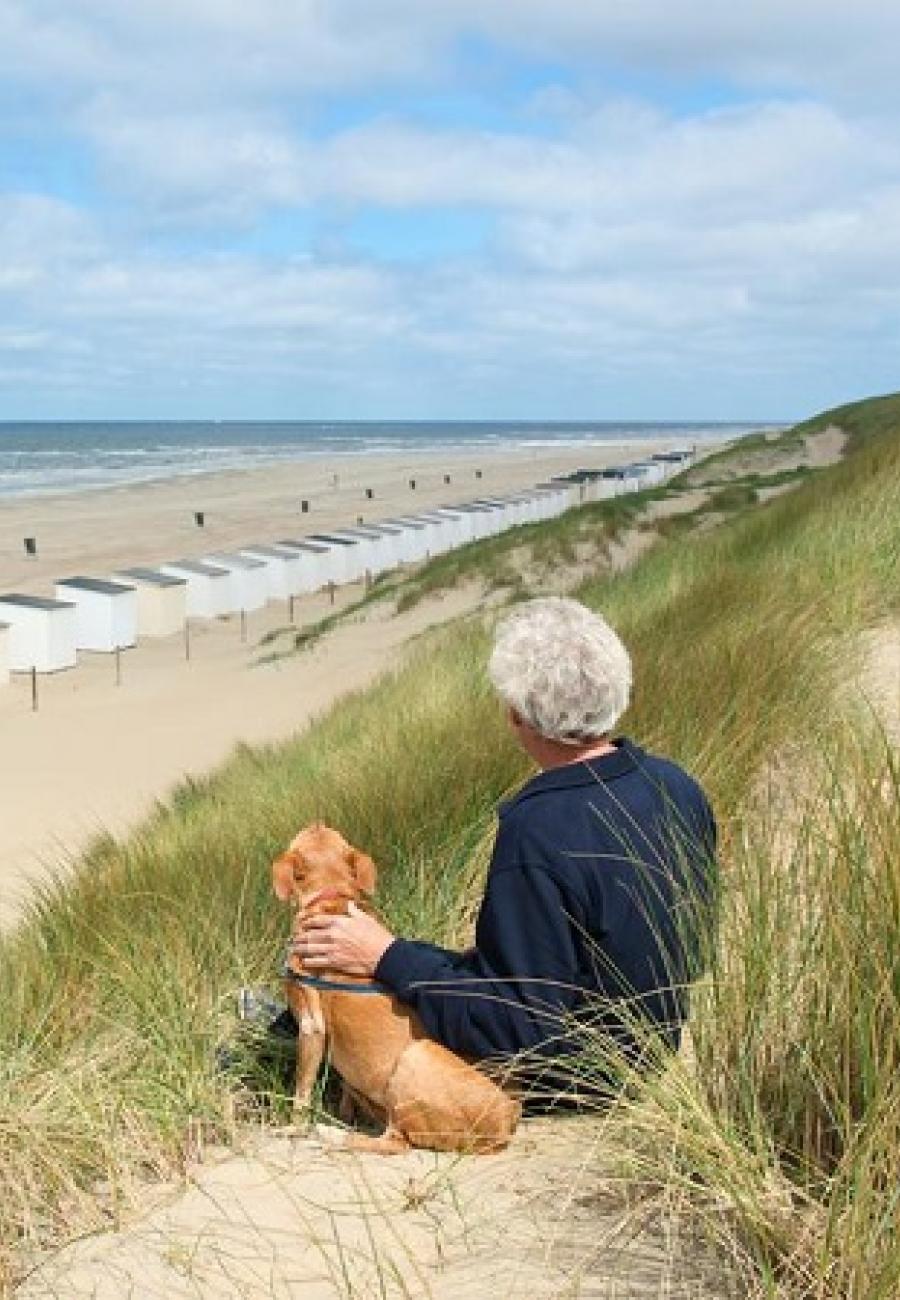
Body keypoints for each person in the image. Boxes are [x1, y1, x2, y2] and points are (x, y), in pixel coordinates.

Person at [291, 597, 717, 1101]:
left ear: (517, 715)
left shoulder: (537, 827)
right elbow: (692, 949)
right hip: (651, 1046)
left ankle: (293, 1033)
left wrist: (384, 957)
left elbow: (517, 1026)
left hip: (576, 1078)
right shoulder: (676, 785)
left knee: (381, 989)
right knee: (420, 961)